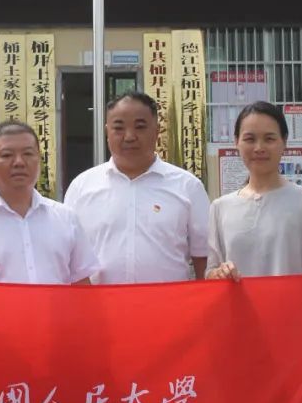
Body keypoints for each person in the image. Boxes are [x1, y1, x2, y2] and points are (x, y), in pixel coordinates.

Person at [63, 92, 209, 282]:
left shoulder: (188, 187)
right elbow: (67, 257)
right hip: (100, 300)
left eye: (140, 127)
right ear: (107, 132)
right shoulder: (81, 187)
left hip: (169, 301)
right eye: (119, 128)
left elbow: (203, 257)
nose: (130, 136)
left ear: (156, 131)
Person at [0, 121, 97, 284]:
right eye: (7, 155)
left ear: (39, 159)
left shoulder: (67, 219)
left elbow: (82, 285)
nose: (19, 162)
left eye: (28, 154)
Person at [204, 101, 302, 282]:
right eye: (250, 139)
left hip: (291, 301)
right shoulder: (220, 208)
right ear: (236, 142)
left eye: (269, 139)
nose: (259, 148)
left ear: (284, 142)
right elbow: (211, 273)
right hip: (238, 302)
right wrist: (219, 274)